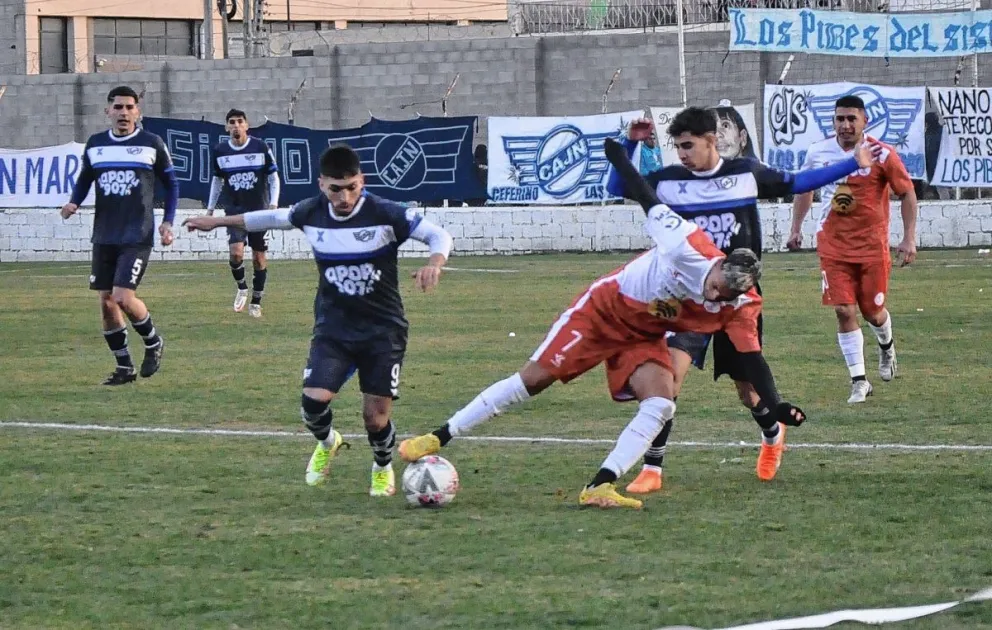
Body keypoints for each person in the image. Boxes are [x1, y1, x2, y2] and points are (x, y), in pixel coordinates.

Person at [398, 138, 807, 509]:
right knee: (532, 382)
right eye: (717, 287)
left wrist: (777, 403)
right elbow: (646, 196)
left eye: (726, 296)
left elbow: (752, 359)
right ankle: (437, 436)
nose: (715, 298)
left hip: (642, 334)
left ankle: (600, 485)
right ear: (718, 264)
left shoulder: (741, 303)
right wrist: (620, 152)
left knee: (662, 403)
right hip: (601, 313)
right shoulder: (685, 242)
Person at [605, 106, 880, 492]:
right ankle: (652, 469)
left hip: (738, 302)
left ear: (711, 141)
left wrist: (851, 162)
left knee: (749, 393)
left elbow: (798, 182)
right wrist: (629, 143)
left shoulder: (745, 174)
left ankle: (772, 434)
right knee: (666, 380)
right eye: (677, 147)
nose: (682, 154)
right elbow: (618, 186)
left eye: (688, 146)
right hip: (686, 299)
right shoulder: (668, 182)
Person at [184, 145, 453, 497]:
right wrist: (217, 221)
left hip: (382, 331)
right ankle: (328, 442)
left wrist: (435, 263)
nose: (344, 196)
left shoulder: (385, 213)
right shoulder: (311, 212)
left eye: (352, 187)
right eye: (335, 189)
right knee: (312, 404)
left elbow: (439, 235)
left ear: (362, 181)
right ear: (321, 184)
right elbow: (269, 218)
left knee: (375, 418)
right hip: (333, 329)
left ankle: (382, 466)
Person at [788, 95, 918, 404]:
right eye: (840, 119)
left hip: (872, 247)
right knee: (844, 310)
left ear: (864, 121)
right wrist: (796, 228)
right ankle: (859, 381)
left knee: (872, 313)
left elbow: (907, 194)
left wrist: (909, 238)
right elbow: (805, 187)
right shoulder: (818, 152)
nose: (845, 125)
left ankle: (886, 346)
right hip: (833, 245)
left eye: (851, 119)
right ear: (833, 121)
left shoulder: (882, 154)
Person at [60, 85, 178, 386]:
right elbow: (86, 177)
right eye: (118, 107)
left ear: (137, 112)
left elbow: (171, 184)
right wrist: (74, 201)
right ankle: (124, 367)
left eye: (129, 107)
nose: (123, 113)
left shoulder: (151, 143)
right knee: (106, 301)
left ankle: (153, 343)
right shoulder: (96, 144)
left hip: (137, 233)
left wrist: (168, 222)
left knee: (123, 297)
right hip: (104, 233)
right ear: (107, 111)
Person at [207, 109, 281, 317]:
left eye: (240, 121)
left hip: (259, 211)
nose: (236, 125)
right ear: (226, 127)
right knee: (236, 253)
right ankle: (241, 287)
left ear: (247, 125)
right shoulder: (221, 151)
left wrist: (273, 204)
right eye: (232, 122)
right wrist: (211, 208)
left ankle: (256, 302)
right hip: (235, 211)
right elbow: (217, 180)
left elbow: (273, 177)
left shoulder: (260, 147)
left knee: (258, 257)